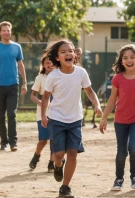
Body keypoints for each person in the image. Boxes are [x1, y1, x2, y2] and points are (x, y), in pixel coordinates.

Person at [41, 39, 102, 198]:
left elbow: (89, 91)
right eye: (63, 52)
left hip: (75, 119)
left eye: (71, 50)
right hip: (57, 119)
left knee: (73, 153)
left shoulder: (81, 72)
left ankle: (65, 187)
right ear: (57, 57)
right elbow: (46, 96)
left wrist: (97, 105)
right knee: (59, 154)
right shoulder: (53, 76)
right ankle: (58, 165)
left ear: (75, 54)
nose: (68, 53)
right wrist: (43, 115)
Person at [99, 44, 135, 191]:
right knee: (122, 151)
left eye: (132, 57)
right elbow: (112, 100)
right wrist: (104, 118)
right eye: (125, 58)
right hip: (120, 120)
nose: (129, 60)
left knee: (133, 147)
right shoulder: (117, 79)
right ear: (121, 61)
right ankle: (119, 178)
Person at [0, 21, 27, 151]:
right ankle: (3, 142)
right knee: (1, 115)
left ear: (11, 32)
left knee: (12, 114)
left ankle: (13, 142)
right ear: (0, 32)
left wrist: (24, 82)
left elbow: (21, 65)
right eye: (4, 30)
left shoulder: (17, 47)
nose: (6, 32)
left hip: (13, 85)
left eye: (8, 30)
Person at [29, 55, 55, 172]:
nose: (50, 65)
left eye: (51, 63)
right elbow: (32, 95)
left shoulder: (59, 76)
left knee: (54, 139)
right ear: (43, 65)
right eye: (47, 63)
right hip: (43, 114)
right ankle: (36, 155)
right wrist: (41, 103)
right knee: (43, 140)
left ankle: (51, 162)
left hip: (57, 114)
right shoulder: (40, 78)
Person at [75, 47, 97, 129]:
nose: (78, 55)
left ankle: (92, 121)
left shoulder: (82, 66)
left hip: (85, 88)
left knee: (89, 105)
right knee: (84, 106)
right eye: (77, 52)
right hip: (80, 90)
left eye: (80, 53)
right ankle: (83, 121)